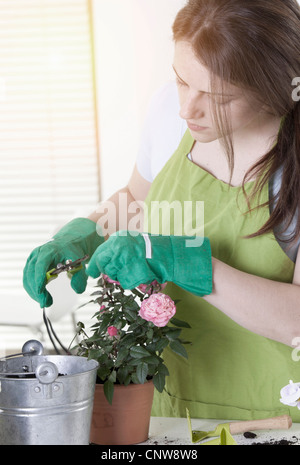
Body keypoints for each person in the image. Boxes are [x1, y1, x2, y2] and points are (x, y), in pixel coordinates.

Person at [23, 0, 300, 421]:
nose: (187, 108)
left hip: (271, 413)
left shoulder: (290, 164)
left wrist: (187, 262)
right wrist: (87, 230)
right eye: (181, 81)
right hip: (168, 401)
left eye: (219, 97)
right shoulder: (172, 117)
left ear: (273, 88)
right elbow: (136, 199)